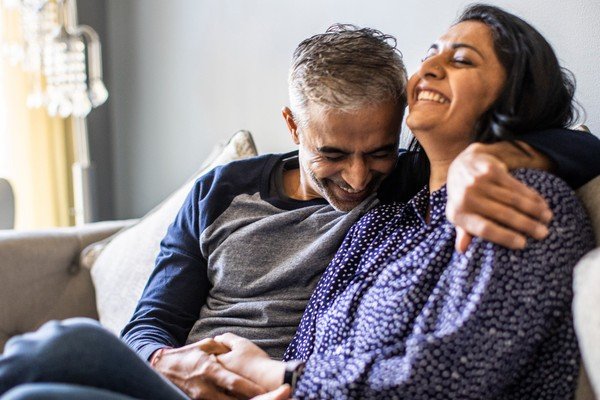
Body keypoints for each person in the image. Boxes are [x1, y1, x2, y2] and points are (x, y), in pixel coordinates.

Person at [0, 18, 599, 400]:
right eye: (333, 153)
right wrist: (178, 364)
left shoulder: (441, 193)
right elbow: (151, 322)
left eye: (380, 151)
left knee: (59, 350)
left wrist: (495, 155)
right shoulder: (235, 194)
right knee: (49, 367)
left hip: (270, 386)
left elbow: (580, 144)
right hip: (208, 381)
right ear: (292, 126)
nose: (358, 179)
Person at [197, 5, 597, 399]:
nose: (432, 68)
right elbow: (308, 344)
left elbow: (452, 377)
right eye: (429, 55)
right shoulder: (381, 218)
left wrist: (280, 377)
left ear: (516, 95)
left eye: (461, 60)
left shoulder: (524, 201)